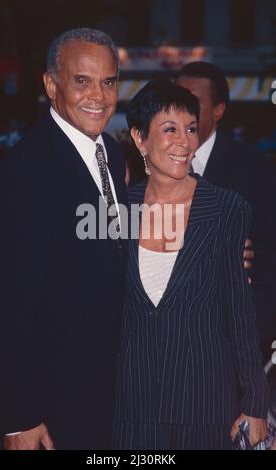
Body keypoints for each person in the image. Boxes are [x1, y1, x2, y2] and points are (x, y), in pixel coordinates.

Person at [0, 28, 126, 450]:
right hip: (53, 408)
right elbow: (5, 306)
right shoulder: (24, 173)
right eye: (81, 81)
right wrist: (19, 418)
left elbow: (111, 256)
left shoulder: (113, 156)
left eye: (108, 82)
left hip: (110, 397)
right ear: (52, 85)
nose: (98, 96)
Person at [113, 79, 269, 450]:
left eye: (191, 128)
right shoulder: (118, 211)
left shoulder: (227, 208)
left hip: (205, 405)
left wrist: (256, 403)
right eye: (170, 129)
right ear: (139, 138)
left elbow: (239, 312)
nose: (185, 141)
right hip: (131, 403)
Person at [176, 62, 276, 358]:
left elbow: (269, 259)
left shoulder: (255, 169)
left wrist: (251, 338)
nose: (181, 108)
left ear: (218, 110)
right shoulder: (149, 164)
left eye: (192, 100)